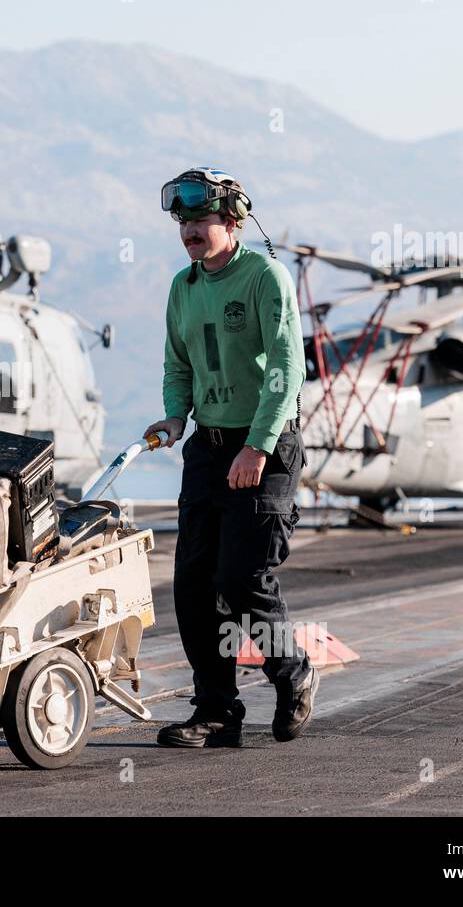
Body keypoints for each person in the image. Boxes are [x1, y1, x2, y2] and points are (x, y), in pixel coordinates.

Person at [144, 167, 318, 748]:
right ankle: (217, 714)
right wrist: (175, 415)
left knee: (240, 579)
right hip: (209, 449)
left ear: (233, 221)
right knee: (193, 587)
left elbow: (287, 369)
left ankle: (292, 673)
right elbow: (179, 365)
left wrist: (257, 446)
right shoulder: (183, 287)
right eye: (184, 221)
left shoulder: (265, 277)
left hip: (265, 445)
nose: (190, 230)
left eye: (201, 219)